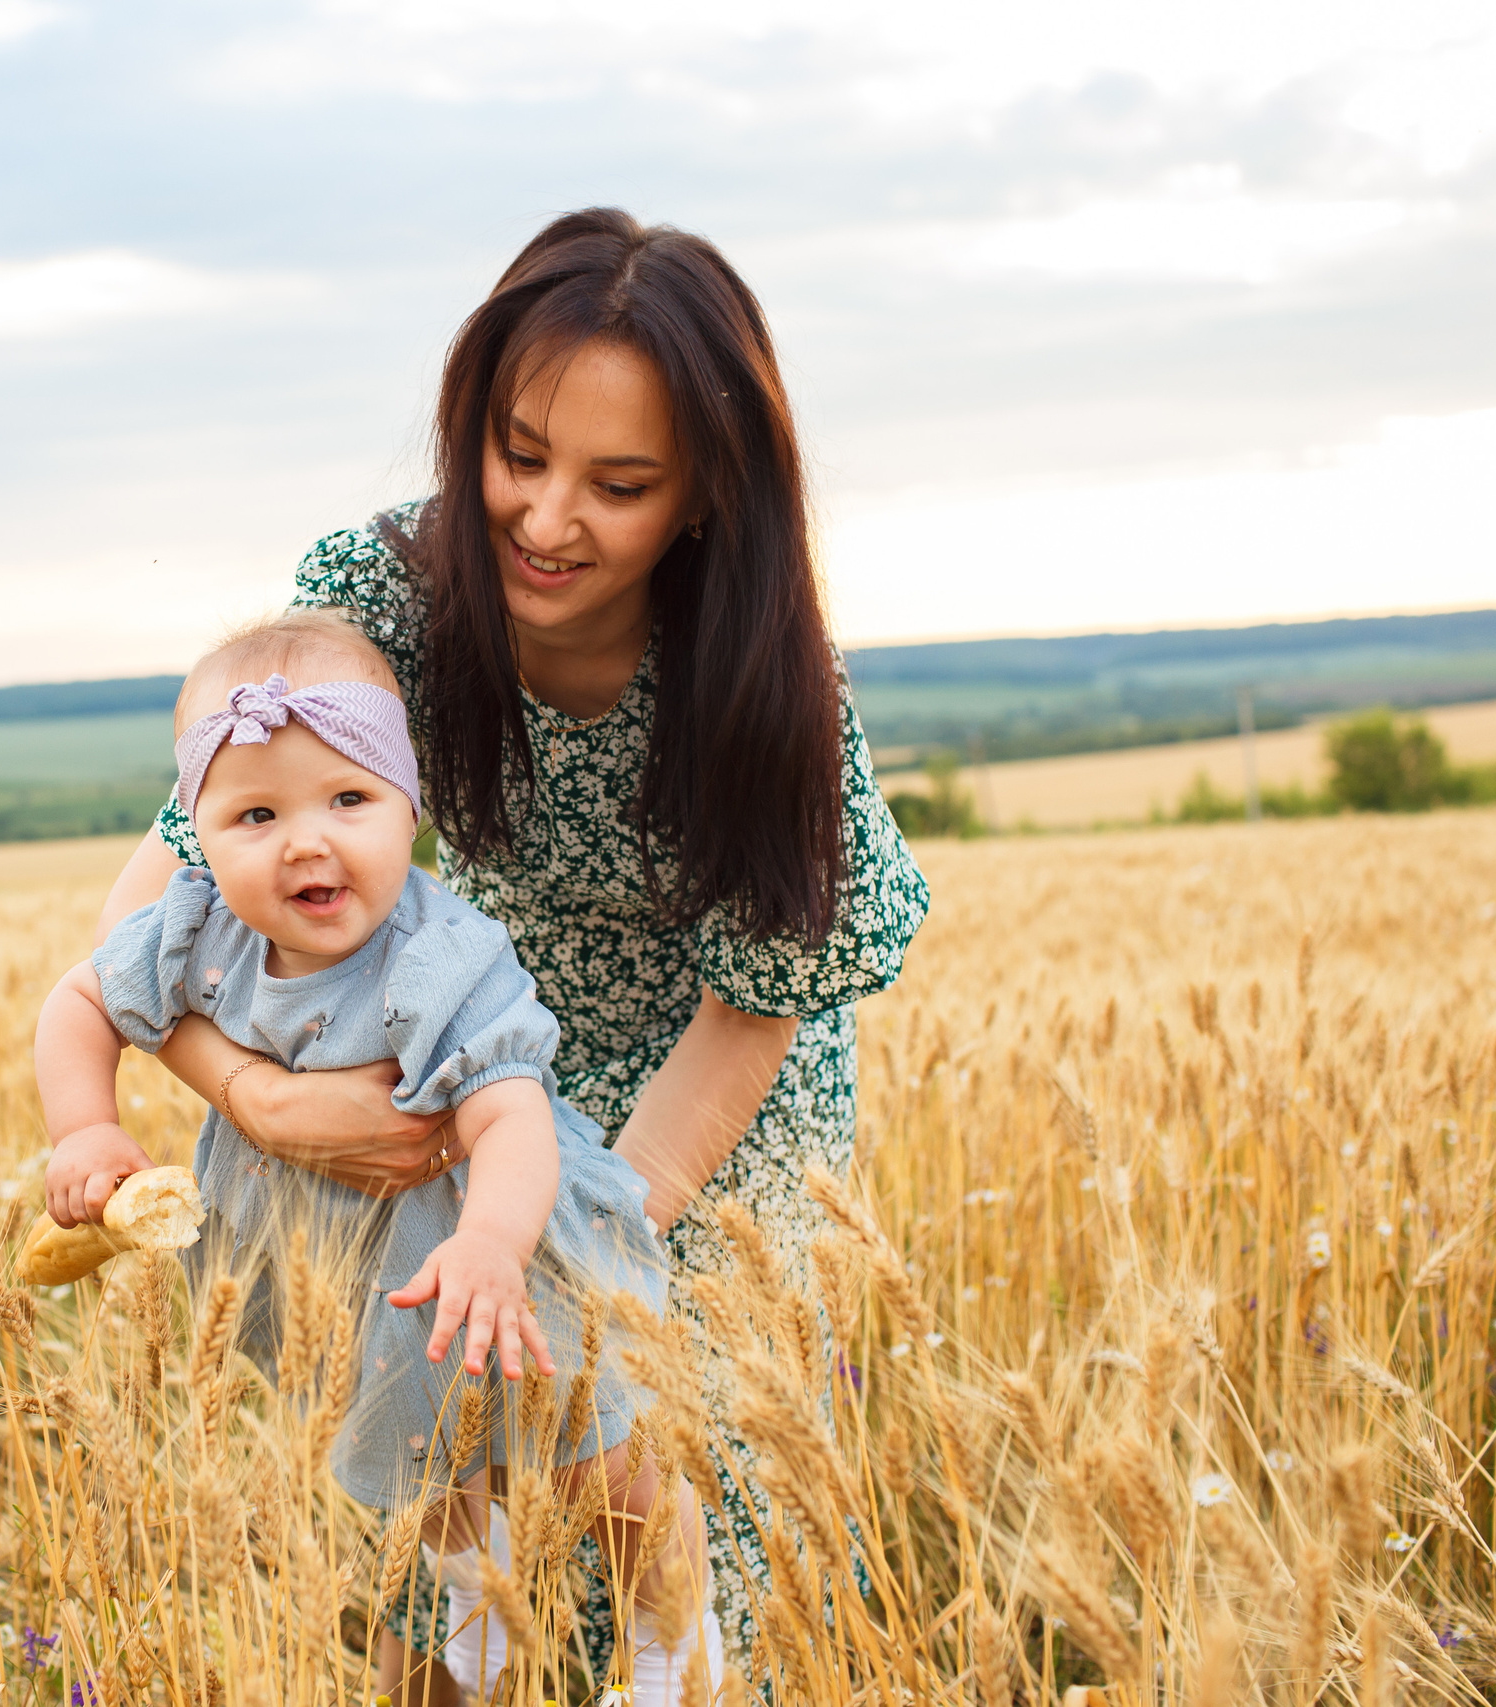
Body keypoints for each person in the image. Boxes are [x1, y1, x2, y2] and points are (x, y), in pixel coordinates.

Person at [95, 208, 930, 1698]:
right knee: (434, 1481)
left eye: (619, 484)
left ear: (704, 496)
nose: (547, 520)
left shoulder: (767, 675)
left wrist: (575, 1244)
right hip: (470, 1036)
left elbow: (758, 1011)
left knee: (655, 1446)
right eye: (519, 453)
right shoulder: (386, 599)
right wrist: (261, 1099)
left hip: (708, 1094)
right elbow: (149, 907)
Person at [36, 611, 718, 1701]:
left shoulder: (441, 957)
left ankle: (671, 1637)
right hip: (346, 1272)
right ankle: (470, 1591)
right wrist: (86, 1126)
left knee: (600, 1455)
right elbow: (79, 1001)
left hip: (493, 1248)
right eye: (255, 813)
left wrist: (495, 1241)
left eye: (349, 801)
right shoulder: (193, 926)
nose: (307, 841)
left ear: (410, 811)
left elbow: (511, 1117)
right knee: (423, 1457)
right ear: (196, 834)